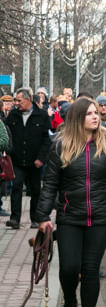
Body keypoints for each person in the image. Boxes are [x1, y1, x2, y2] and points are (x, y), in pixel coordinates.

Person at [36, 98, 106, 307]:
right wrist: (42, 216)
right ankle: (70, 301)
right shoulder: (60, 145)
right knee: (70, 268)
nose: (95, 117)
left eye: (96, 113)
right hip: (70, 216)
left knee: (91, 269)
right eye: (89, 113)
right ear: (78, 117)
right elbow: (50, 184)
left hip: (101, 217)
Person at [5, 88, 51, 229]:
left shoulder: (42, 116)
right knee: (17, 186)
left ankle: (35, 218)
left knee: (35, 190)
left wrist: (41, 158)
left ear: (28, 100)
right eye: (15, 100)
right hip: (17, 160)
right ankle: (15, 218)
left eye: (19, 100)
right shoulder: (13, 115)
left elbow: (46, 140)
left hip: (35, 161)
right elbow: (8, 135)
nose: (16, 103)